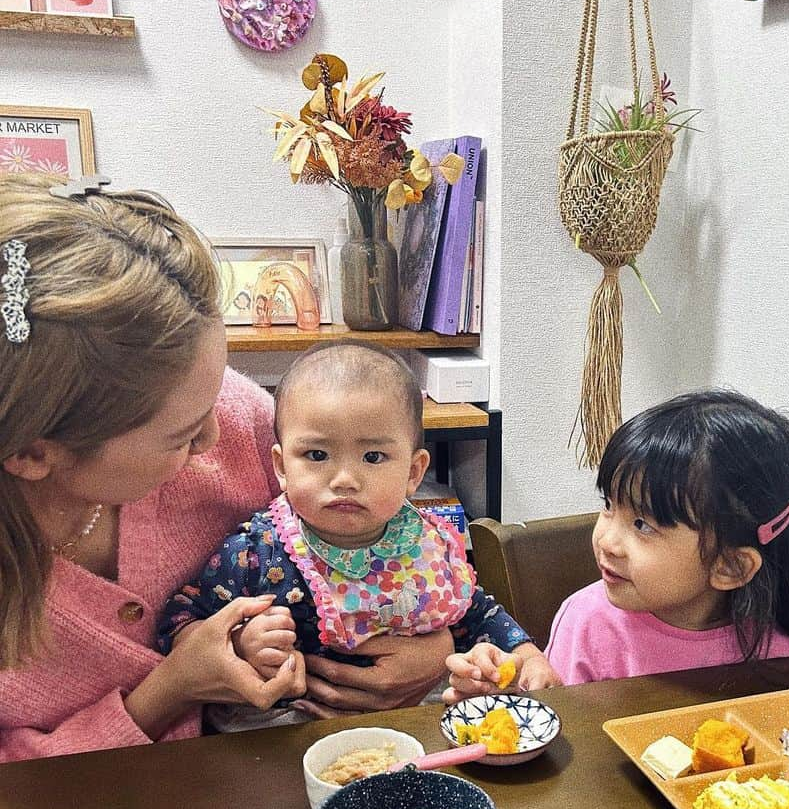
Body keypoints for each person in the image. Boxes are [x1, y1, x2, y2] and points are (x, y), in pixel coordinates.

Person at [0, 175, 455, 762]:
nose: (219, 435)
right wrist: (168, 692)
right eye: (181, 435)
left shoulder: (240, 421)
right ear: (33, 453)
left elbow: (379, 535)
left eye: (217, 394)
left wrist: (435, 645)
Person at [158, 343, 550, 729]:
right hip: (283, 728)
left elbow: (471, 611)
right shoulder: (254, 550)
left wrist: (525, 652)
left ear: (414, 472)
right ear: (281, 466)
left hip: (408, 717)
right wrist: (242, 643)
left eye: (373, 457)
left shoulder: (425, 544)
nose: (345, 479)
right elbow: (180, 620)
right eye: (316, 455)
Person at [445, 389, 789, 697]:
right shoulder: (588, 621)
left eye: (642, 524)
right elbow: (558, 731)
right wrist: (511, 696)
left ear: (731, 567)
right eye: (608, 505)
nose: (607, 540)